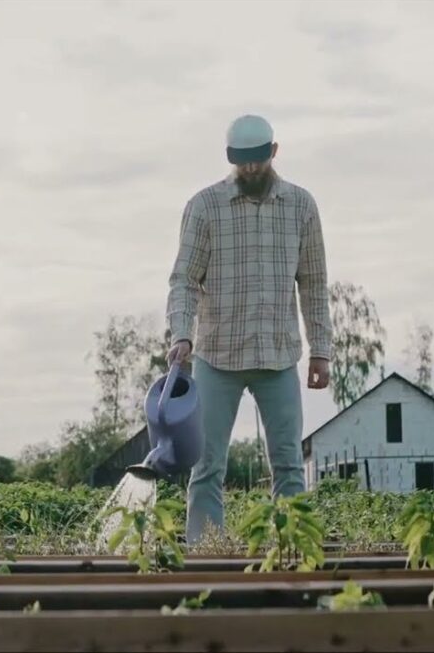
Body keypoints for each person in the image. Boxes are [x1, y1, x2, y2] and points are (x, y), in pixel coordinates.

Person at [165, 113, 334, 545]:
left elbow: (314, 283)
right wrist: (181, 333)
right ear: (231, 158)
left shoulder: (301, 206)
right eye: (243, 162)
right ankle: (206, 552)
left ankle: (290, 551)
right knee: (206, 465)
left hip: (278, 354)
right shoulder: (205, 207)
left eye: (258, 159)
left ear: (273, 152)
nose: (252, 168)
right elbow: (184, 279)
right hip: (217, 354)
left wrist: (321, 350)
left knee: (289, 463)